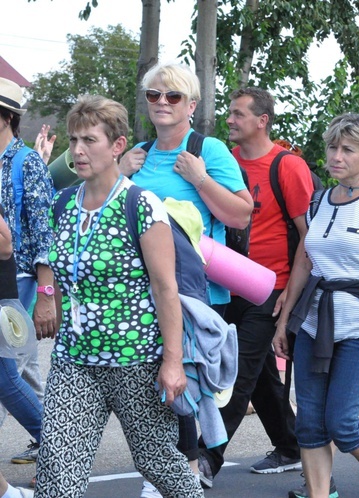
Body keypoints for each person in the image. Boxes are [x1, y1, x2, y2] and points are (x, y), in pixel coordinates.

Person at [34, 95, 202, 497]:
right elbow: (48, 259)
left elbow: (166, 288)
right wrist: (45, 293)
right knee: (58, 465)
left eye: (89, 140)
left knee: (156, 460)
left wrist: (173, 362)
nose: (77, 150)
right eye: (73, 140)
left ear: (117, 146)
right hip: (75, 359)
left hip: (136, 360)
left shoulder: (140, 204)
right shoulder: (62, 205)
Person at [118, 62, 252, 496]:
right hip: (140, 292)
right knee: (151, 383)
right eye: (154, 96)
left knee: (183, 382)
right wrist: (119, 175)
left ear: (191, 105)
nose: (162, 103)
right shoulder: (135, 155)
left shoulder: (208, 150)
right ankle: (172, 472)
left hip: (195, 293)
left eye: (172, 97)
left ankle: (183, 472)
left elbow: (240, 212)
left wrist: (201, 179)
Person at [273, 114, 359, 498]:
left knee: (343, 423)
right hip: (313, 324)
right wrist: (284, 321)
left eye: (347, 149)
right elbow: (304, 261)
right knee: (310, 425)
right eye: (333, 147)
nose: (336, 156)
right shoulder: (319, 200)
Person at [196, 87, 305, 487]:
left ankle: (207, 458)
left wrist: (291, 300)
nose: (229, 119)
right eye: (229, 112)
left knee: (236, 371)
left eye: (238, 114)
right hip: (227, 285)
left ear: (262, 120)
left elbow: (306, 236)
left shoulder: (287, 166)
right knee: (259, 377)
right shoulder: (225, 161)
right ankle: (291, 445)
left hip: (271, 287)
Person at [0, 77, 56, 466]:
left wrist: (45, 296)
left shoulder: (27, 162)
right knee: (4, 377)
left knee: (4, 376)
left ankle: (56, 448)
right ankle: (58, 448)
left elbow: (44, 233)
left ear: (6, 117)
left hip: (14, 282)